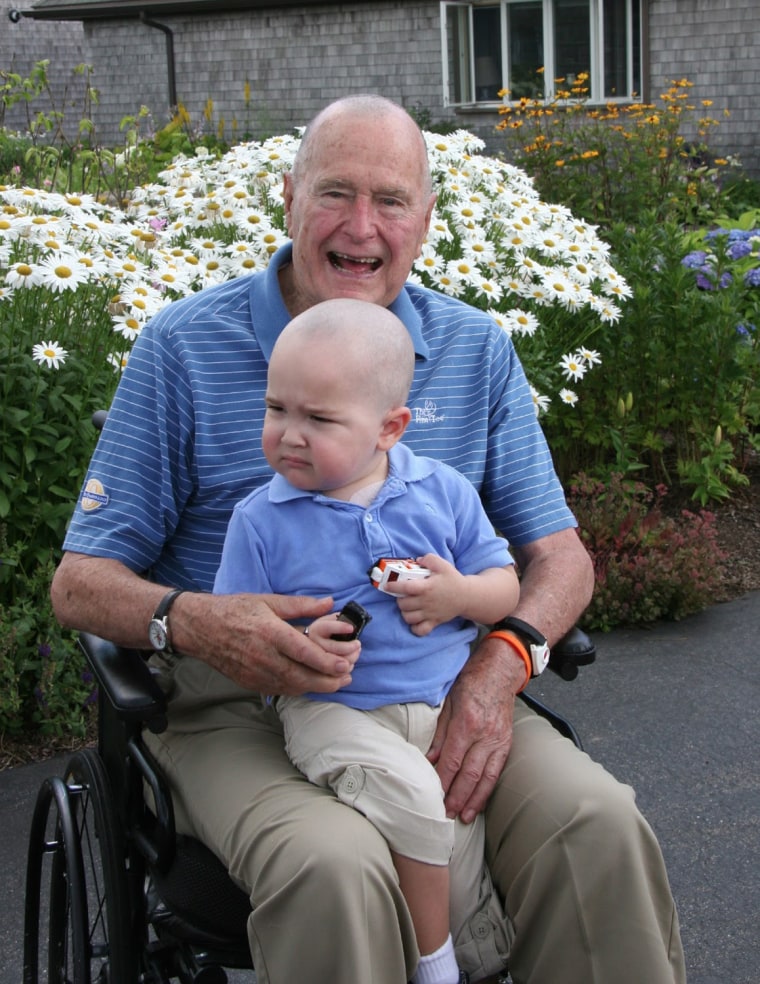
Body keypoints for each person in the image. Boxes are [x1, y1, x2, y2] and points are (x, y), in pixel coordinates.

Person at [51, 94, 686, 984]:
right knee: (334, 866)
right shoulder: (183, 348)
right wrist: (201, 621)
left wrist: (502, 663)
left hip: (438, 681)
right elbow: (80, 582)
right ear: (287, 198)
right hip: (238, 702)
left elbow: (560, 556)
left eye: (390, 200)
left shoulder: (474, 349)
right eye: (334, 193)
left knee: (598, 824)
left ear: (425, 219)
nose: (362, 227)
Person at [214, 297, 521, 984]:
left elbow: (504, 586)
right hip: (331, 710)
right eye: (276, 409)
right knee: (414, 797)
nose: (289, 434)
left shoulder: (439, 491)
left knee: (457, 841)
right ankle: (432, 968)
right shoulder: (261, 520)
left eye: (318, 419)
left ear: (390, 428)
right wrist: (297, 643)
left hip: (441, 707)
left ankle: (468, 956)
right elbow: (234, 629)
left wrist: (457, 596)